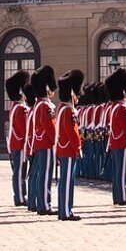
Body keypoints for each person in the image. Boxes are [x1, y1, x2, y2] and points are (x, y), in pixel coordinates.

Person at [27, 66, 58, 215]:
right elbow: (50, 128)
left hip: (42, 143)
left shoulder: (39, 104)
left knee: (42, 174)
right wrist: (56, 143)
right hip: (47, 144)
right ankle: (44, 204)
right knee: (45, 175)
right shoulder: (45, 106)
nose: (53, 91)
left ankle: (41, 202)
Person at [55, 68, 84, 221]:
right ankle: (66, 211)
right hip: (68, 149)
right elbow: (72, 132)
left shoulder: (62, 108)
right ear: (72, 93)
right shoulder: (69, 110)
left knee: (65, 181)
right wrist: (78, 147)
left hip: (63, 148)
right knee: (67, 181)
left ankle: (64, 209)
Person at [105, 68, 126, 206]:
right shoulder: (123, 108)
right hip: (123, 142)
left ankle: (117, 196)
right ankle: (123, 196)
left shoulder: (113, 107)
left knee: (118, 171)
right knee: (123, 170)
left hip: (115, 142)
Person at [5, 70, 31, 205]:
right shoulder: (21, 108)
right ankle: (20, 197)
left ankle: (20, 195)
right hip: (21, 144)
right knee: (20, 172)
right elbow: (24, 130)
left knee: (19, 171)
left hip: (16, 143)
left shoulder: (15, 107)